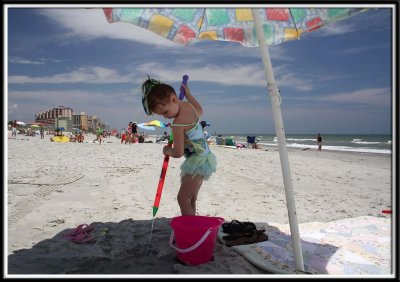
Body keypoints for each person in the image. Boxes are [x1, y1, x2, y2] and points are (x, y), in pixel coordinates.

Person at [141, 76, 217, 216]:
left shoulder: (177, 124)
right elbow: (200, 110)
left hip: (196, 163)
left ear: (174, 100)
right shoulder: (189, 107)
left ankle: (190, 232)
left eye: (165, 112)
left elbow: (178, 152)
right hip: (207, 159)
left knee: (182, 199)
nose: (165, 117)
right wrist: (188, 94)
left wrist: (166, 150)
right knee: (191, 199)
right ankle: (192, 225)